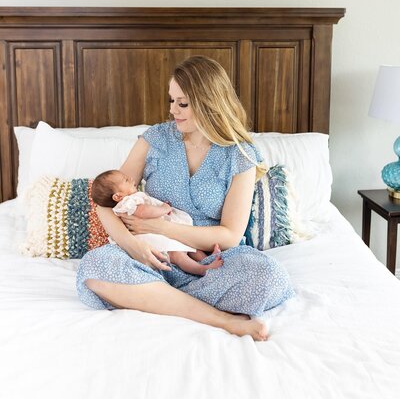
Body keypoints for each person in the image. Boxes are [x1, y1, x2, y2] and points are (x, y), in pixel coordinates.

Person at [77, 55, 295, 341]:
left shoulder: (240, 155)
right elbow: (105, 202)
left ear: (209, 103)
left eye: (183, 104)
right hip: (152, 255)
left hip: (209, 260)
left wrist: (161, 227)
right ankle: (223, 319)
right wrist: (133, 247)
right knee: (95, 266)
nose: (173, 111)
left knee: (270, 278)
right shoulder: (154, 139)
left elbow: (229, 235)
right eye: (171, 101)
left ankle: (152, 297)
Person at [91, 168, 224, 276]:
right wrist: (163, 209)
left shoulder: (128, 200)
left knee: (187, 246)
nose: (131, 179)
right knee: (178, 255)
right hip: (154, 241)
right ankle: (201, 269)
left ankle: (206, 260)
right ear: (117, 196)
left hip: (160, 232)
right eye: (126, 180)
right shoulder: (128, 202)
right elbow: (144, 212)